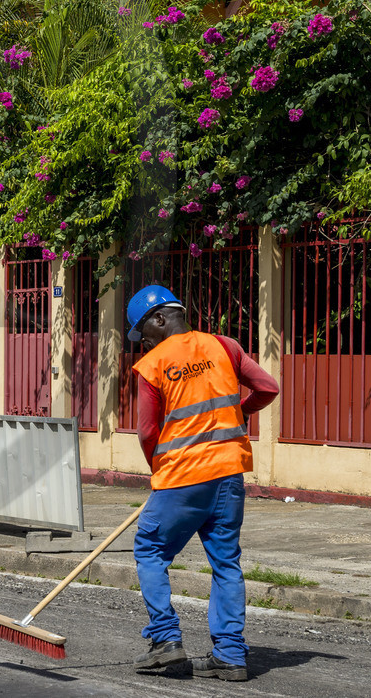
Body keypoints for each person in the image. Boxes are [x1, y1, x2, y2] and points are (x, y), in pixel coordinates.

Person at [126, 284, 280, 683]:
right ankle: (230, 654)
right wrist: (238, 414)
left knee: (149, 550)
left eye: (143, 332)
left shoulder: (153, 364)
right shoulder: (224, 346)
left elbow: (147, 432)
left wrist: (158, 470)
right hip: (229, 475)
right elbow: (268, 388)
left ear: (159, 319)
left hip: (182, 477)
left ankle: (166, 643)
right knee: (226, 562)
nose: (142, 342)